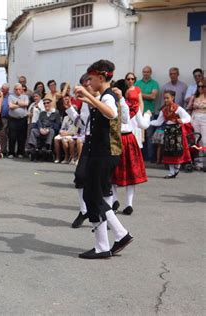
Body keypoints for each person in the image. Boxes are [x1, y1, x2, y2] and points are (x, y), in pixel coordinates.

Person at [74, 59, 133, 259]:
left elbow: (110, 112)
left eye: (91, 79)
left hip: (104, 153)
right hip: (102, 153)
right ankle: (109, 241)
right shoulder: (106, 95)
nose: (89, 83)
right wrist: (87, 99)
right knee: (93, 196)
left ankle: (113, 239)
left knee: (93, 196)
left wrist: (89, 96)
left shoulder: (108, 97)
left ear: (100, 77)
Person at [111, 81, 151, 215]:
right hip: (129, 140)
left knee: (112, 172)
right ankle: (129, 204)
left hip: (115, 140)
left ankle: (114, 200)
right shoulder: (134, 106)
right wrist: (148, 116)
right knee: (131, 173)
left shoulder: (111, 104)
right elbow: (144, 125)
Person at [67, 73, 92, 228]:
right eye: (84, 83)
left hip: (103, 143)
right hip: (89, 140)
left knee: (103, 183)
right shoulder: (83, 103)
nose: (86, 86)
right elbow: (82, 124)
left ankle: (107, 216)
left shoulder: (105, 98)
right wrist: (69, 109)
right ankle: (84, 210)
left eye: (88, 82)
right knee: (80, 176)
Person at [150, 90, 192, 178]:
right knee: (168, 151)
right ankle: (172, 171)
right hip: (168, 131)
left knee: (176, 150)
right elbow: (158, 122)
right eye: (164, 98)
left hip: (177, 132)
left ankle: (176, 168)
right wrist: (148, 122)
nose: (165, 100)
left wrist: (182, 120)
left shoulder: (178, 108)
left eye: (167, 98)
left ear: (172, 98)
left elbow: (188, 117)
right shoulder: (163, 110)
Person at [135, 66, 160, 163]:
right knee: (138, 135)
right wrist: (146, 95)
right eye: (144, 72)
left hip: (149, 113)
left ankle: (149, 158)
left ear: (151, 73)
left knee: (149, 136)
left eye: (148, 72)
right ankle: (139, 157)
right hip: (138, 113)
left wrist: (140, 94)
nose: (146, 73)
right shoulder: (138, 83)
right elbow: (134, 96)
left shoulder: (154, 83)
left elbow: (153, 96)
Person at [187, 79, 206, 169]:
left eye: (203, 86)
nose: (200, 88)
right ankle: (199, 162)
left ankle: (204, 162)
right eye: (199, 86)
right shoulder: (194, 97)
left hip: (204, 118)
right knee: (196, 140)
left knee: (204, 140)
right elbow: (188, 108)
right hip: (195, 117)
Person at [8, 83, 29, 158]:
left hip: (22, 119)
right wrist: (20, 105)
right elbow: (10, 106)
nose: (17, 91)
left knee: (22, 136)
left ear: (22, 89)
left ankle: (20, 152)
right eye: (16, 89)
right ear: (14, 90)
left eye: (19, 89)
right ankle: (11, 152)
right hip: (12, 119)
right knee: (12, 136)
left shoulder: (25, 96)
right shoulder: (11, 96)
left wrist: (16, 103)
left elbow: (26, 104)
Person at [0, 83, 10, 156]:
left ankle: (5, 150)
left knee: (5, 134)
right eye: (2, 88)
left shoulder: (10, 96)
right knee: (1, 134)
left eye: (4, 89)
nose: (2, 90)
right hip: (0, 117)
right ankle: (2, 150)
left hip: (8, 117)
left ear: (7, 90)